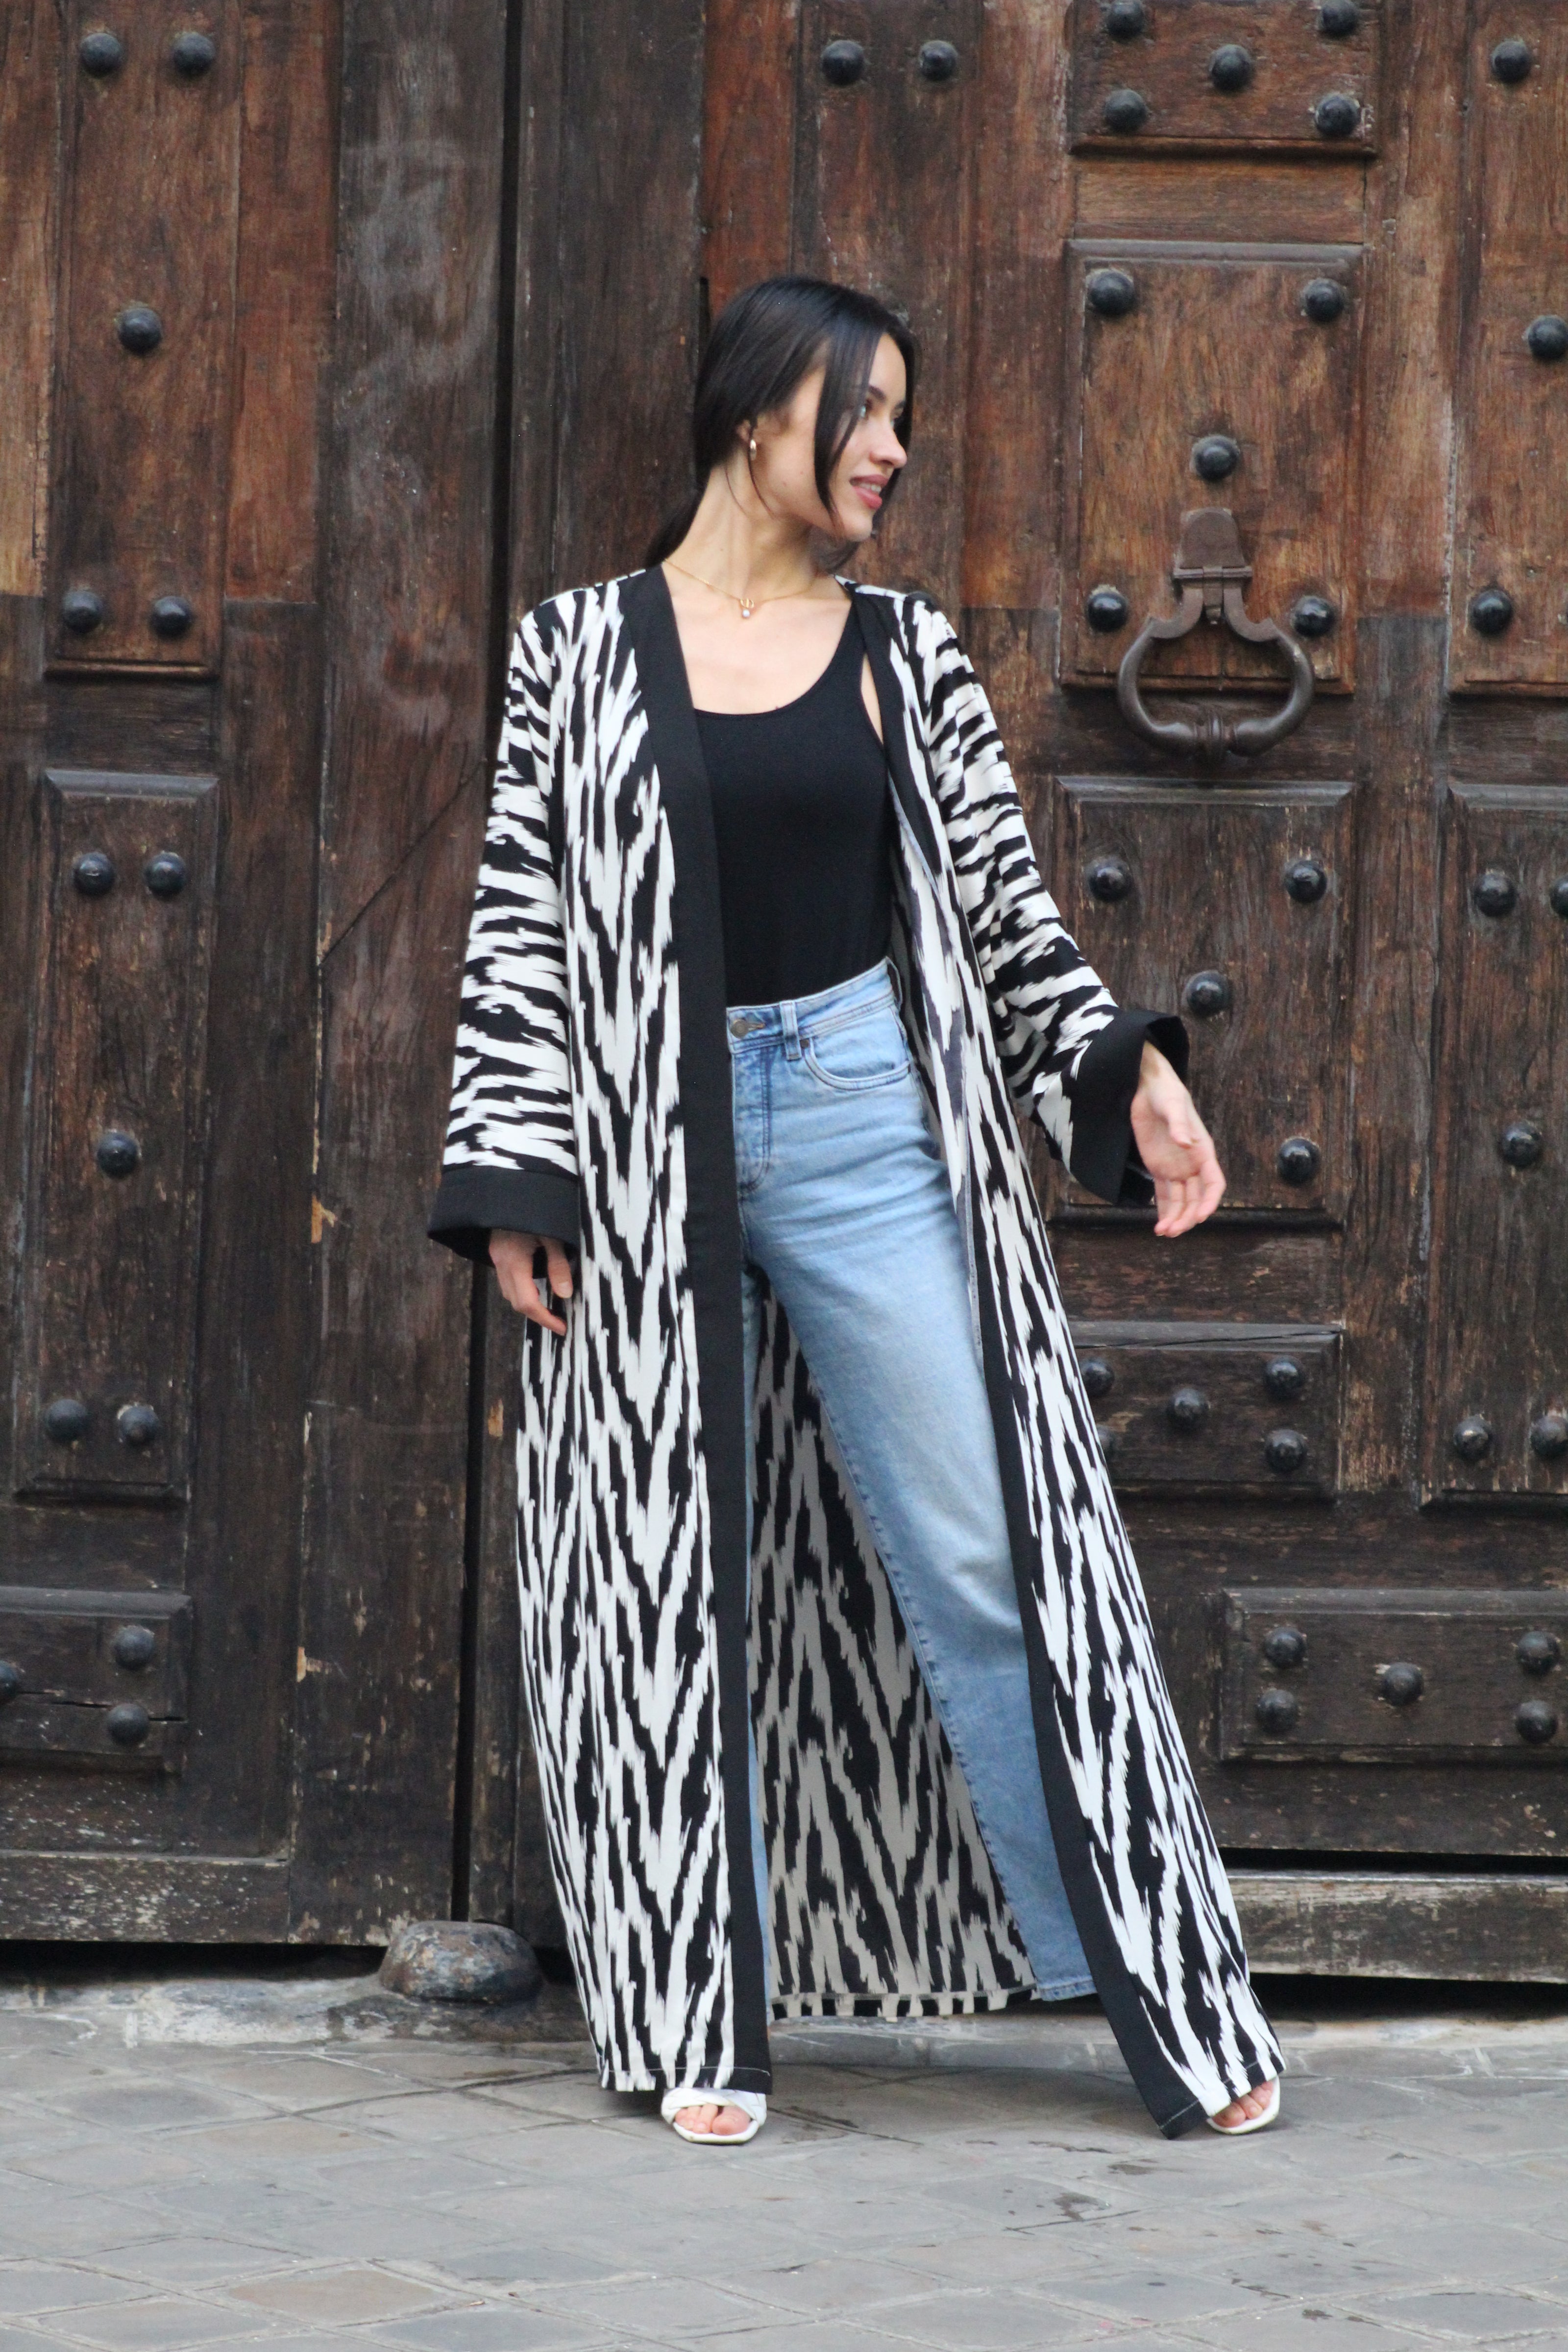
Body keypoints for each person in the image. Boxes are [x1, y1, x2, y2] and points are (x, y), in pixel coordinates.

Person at [430, 275, 1282, 2147]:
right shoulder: (575, 649)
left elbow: (1004, 910)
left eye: (902, 413)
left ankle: (1162, 1988)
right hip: (639, 1150)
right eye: (864, 409)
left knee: (992, 1550)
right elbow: (521, 925)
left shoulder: (906, 653)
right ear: (759, 412)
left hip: (862, 1117)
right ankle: (693, 2019)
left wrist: (1125, 1072)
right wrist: (513, 1173)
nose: (892, 446)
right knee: (663, 1583)